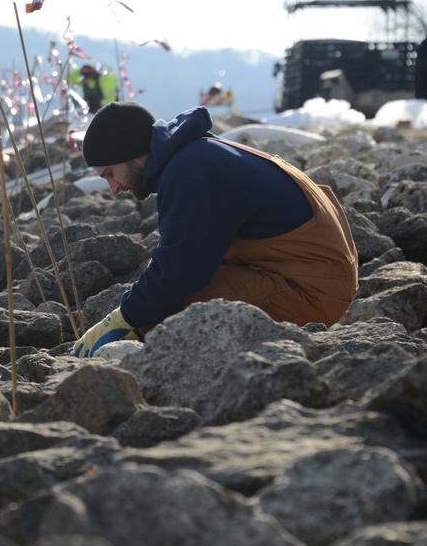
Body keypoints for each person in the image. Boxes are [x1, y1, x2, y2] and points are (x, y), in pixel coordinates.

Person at [71, 101, 359, 357]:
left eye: (110, 173)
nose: (113, 189)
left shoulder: (188, 173)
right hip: (309, 271)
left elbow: (179, 271)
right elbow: (187, 255)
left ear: (131, 151)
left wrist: (126, 319)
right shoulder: (196, 153)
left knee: (166, 315)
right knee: (157, 296)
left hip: (313, 290)